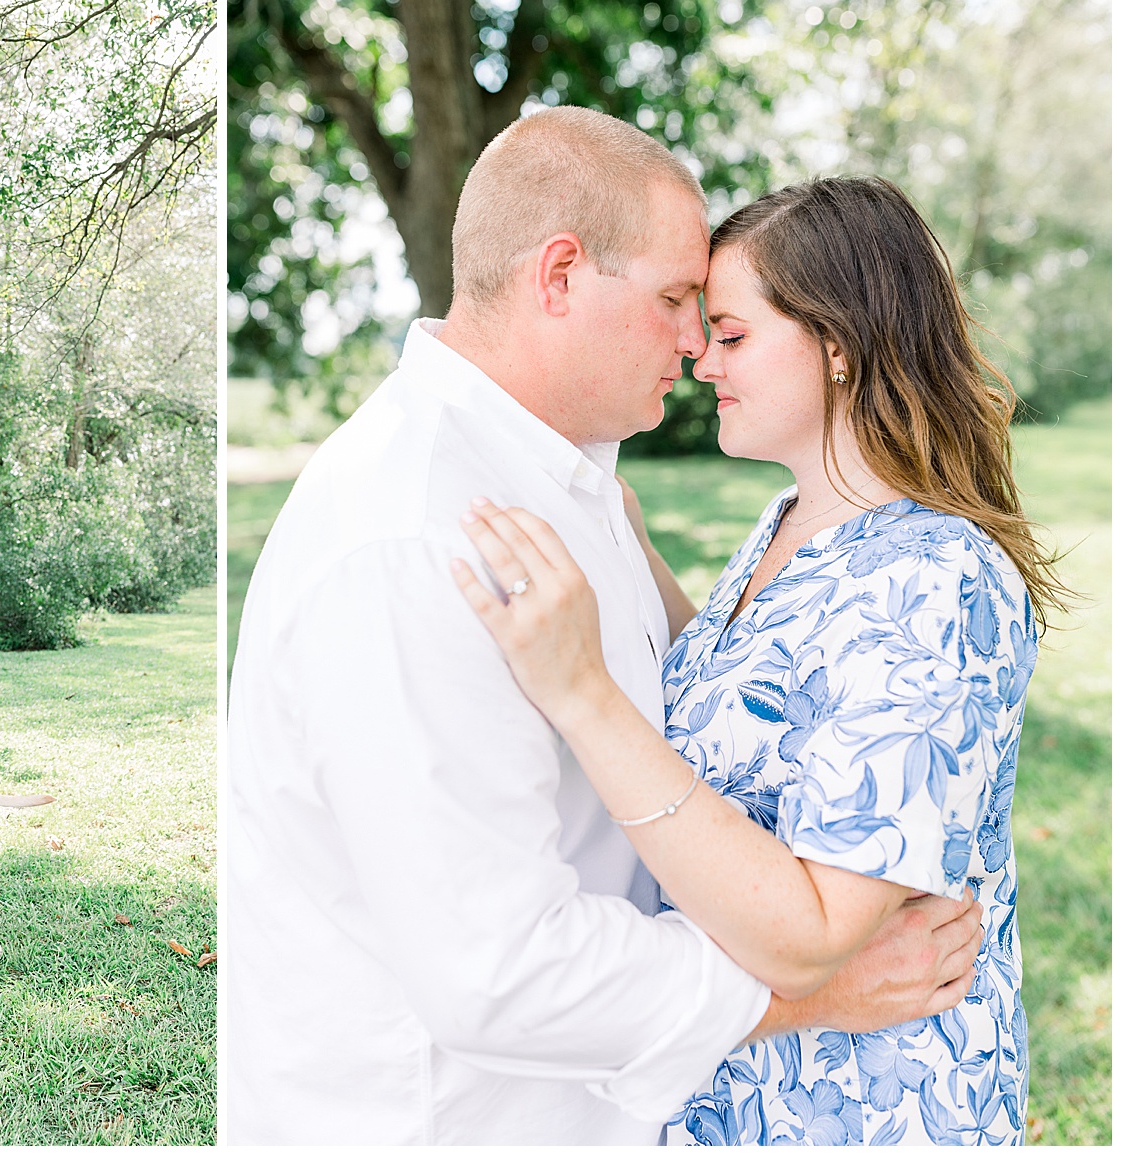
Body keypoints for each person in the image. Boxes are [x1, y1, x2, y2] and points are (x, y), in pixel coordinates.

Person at [226, 108, 984, 1145]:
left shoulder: (569, 485)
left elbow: (722, 691)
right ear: (560, 276)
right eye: (679, 301)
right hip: (447, 1120)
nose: (693, 343)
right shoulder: (417, 538)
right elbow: (497, 971)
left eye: (719, 322)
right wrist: (808, 996)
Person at [455, 176, 1066, 1145]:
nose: (700, 357)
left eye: (732, 334)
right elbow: (778, 701)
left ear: (837, 346)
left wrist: (580, 690)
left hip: (864, 1109)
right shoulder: (793, 521)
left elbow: (816, 929)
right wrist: (631, 554)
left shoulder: (936, 578)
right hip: (731, 1090)